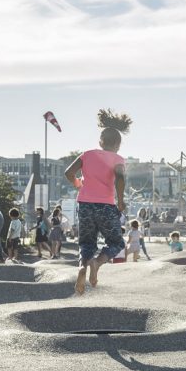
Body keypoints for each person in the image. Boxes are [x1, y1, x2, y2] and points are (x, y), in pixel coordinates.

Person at [64, 109, 130, 294]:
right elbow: (120, 179)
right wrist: (121, 201)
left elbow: (68, 172)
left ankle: (82, 268)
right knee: (116, 243)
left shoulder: (87, 154)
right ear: (118, 144)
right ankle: (97, 263)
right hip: (106, 206)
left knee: (86, 243)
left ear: (100, 142)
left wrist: (78, 184)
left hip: (84, 204)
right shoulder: (118, 159)